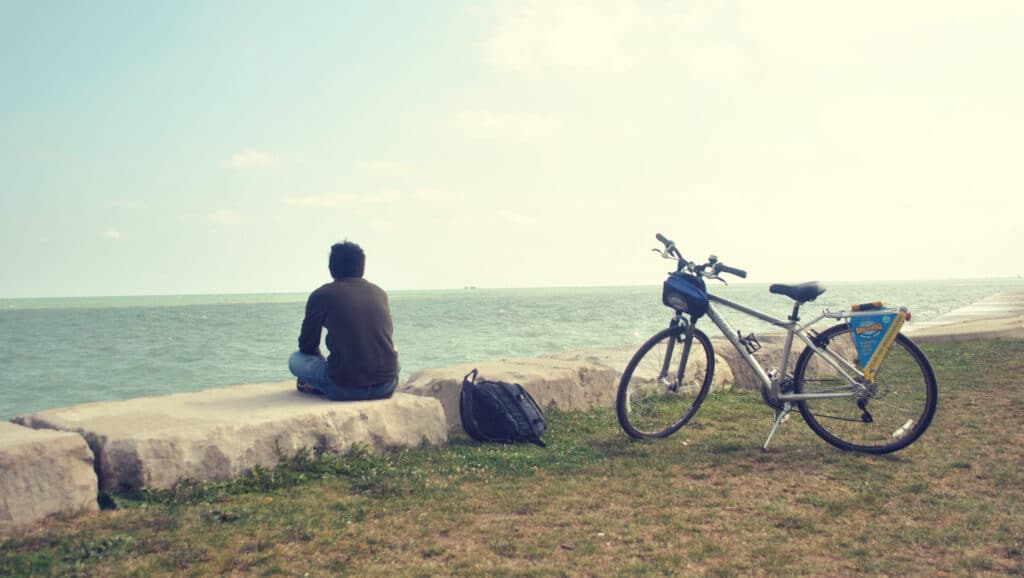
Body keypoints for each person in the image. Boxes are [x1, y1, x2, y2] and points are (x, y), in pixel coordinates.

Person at [288, 241, 400, 401]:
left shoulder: (321, 295)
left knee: (295, 359)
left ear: (331, 268)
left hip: (344, 389)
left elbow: (307, 346)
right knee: (392, 354)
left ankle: (316, 384)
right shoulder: (380, 293)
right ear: (362, 267)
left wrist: (322, 360)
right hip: (386, 386)